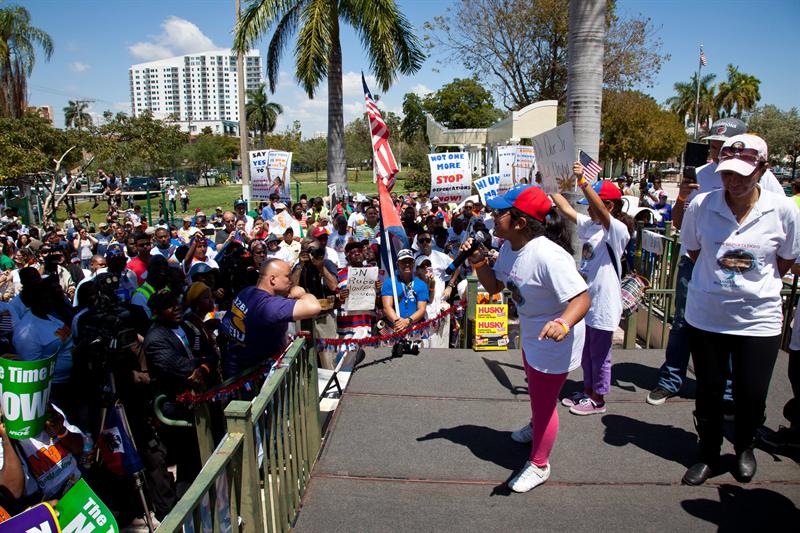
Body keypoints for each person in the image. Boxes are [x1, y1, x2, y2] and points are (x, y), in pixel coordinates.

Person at [680, 134, 800, 485]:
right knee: (709, 390)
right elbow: (694, 251)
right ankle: (708, 452)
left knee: (751, 393)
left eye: (742, 174)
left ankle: (745, 447)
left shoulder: (783, 211)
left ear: (763, 169)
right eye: (726, 173)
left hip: (758, 318)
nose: (732, 182)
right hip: (708, 316)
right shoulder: (702, 204)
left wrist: (749, 283)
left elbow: (785, 260)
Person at [647, 117, 785, 406]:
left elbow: (781, 231)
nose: (715, 152)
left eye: (721, 146)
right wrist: (683, 197)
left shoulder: (766, 179)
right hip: (698, 262)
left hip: (745, 270)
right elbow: (682, 226)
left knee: (736, 331)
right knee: (683, 323)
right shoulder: (699, 172)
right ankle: (671, 379)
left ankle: (728, 393)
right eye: (712, 146)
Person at [462, 184, 589, 492]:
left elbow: (582, 298)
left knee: (545, 404)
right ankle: (536, 428)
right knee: (536, 391)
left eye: (499, 213)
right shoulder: (509, 247)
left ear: (519, 222)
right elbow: (494, 287)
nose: (492, 217)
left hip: (554, 338)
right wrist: (478, 261)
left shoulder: (548, 256)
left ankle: (539, 464)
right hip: (533, 332)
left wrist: (563, 323)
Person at [551, 171, 631, 416]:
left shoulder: (616, 230)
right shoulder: (591, 226)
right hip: (588, 302)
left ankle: (598, 397)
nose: (587, 211)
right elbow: (565, 209)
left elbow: (603, 214)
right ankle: (587, 390)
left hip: (604, 304)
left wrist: (584, 181)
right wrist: (548, 184)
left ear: (607, 205)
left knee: (600, 355)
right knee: (586, 353)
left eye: (592, 205)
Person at [221, 258, 321, 378]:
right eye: (287, 276)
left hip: (234, 370)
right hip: (256, 382)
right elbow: (314, 307)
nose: (290, 281)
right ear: (273, 279)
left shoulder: (247, 292)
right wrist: (302, 293)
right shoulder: (269, 306)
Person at [381, 248, 429, 357]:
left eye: (410, 261)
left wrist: (407, 321)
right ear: (398, 264)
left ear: (413, 263)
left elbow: (422, 309)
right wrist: (398, 322)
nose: (407, 264)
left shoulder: (421, 285)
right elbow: (387, 307)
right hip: (394, 329)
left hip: (414, 330)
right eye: (403, 261)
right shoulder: (390, 282)